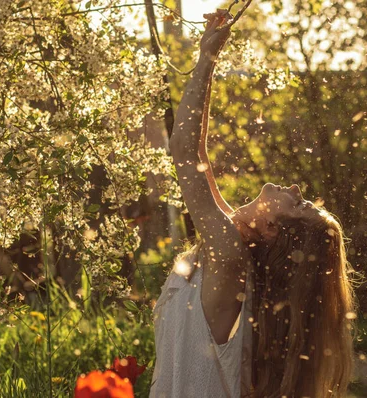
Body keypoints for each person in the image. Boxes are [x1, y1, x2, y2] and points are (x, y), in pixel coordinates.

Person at [150, 9, 355, 398]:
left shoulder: (229, 258)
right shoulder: (231, 249)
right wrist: (210, 47)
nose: (296, 188)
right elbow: (198, 156)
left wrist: (209, 54)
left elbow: (181, 150)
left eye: (300, 204)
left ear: (273, 229)